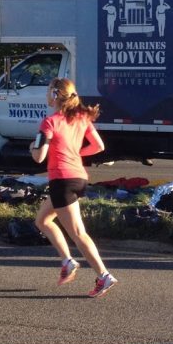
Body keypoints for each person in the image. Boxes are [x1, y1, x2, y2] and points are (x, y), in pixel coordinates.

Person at [31, 77, 119, 297]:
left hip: (62, 180)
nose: (45, 94)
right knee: (42, 220)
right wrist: (76, 154)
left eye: (47, 90)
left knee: (79, 233)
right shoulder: (81, 118)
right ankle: (68, 261)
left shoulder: (49, 122)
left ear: (54, 94)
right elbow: (98, 146)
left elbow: (39, 157)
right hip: (78, 178)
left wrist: (33, 146)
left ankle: (104, 275)